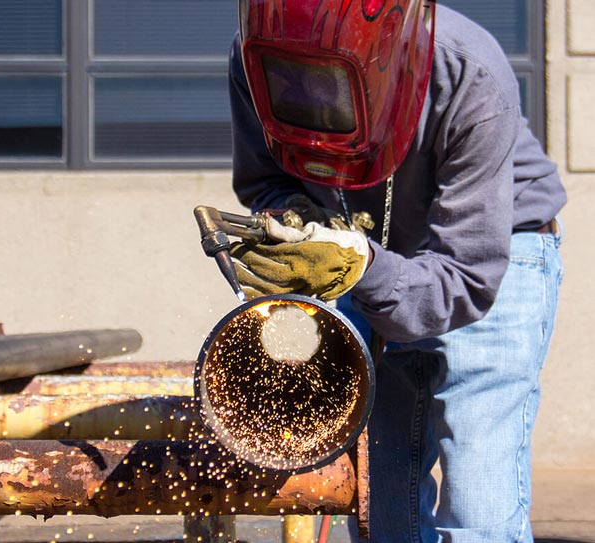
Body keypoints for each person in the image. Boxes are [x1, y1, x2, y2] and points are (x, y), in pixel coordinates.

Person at [227, 1, 567, 542]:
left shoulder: (467, 66)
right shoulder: (257, 57)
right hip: (368, 258)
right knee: (384, 511)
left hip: (491, 252)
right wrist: (304, 230)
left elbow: (469, 274)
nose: (317, 101)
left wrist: (361, 261)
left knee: (479, 507)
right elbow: (267, 182)